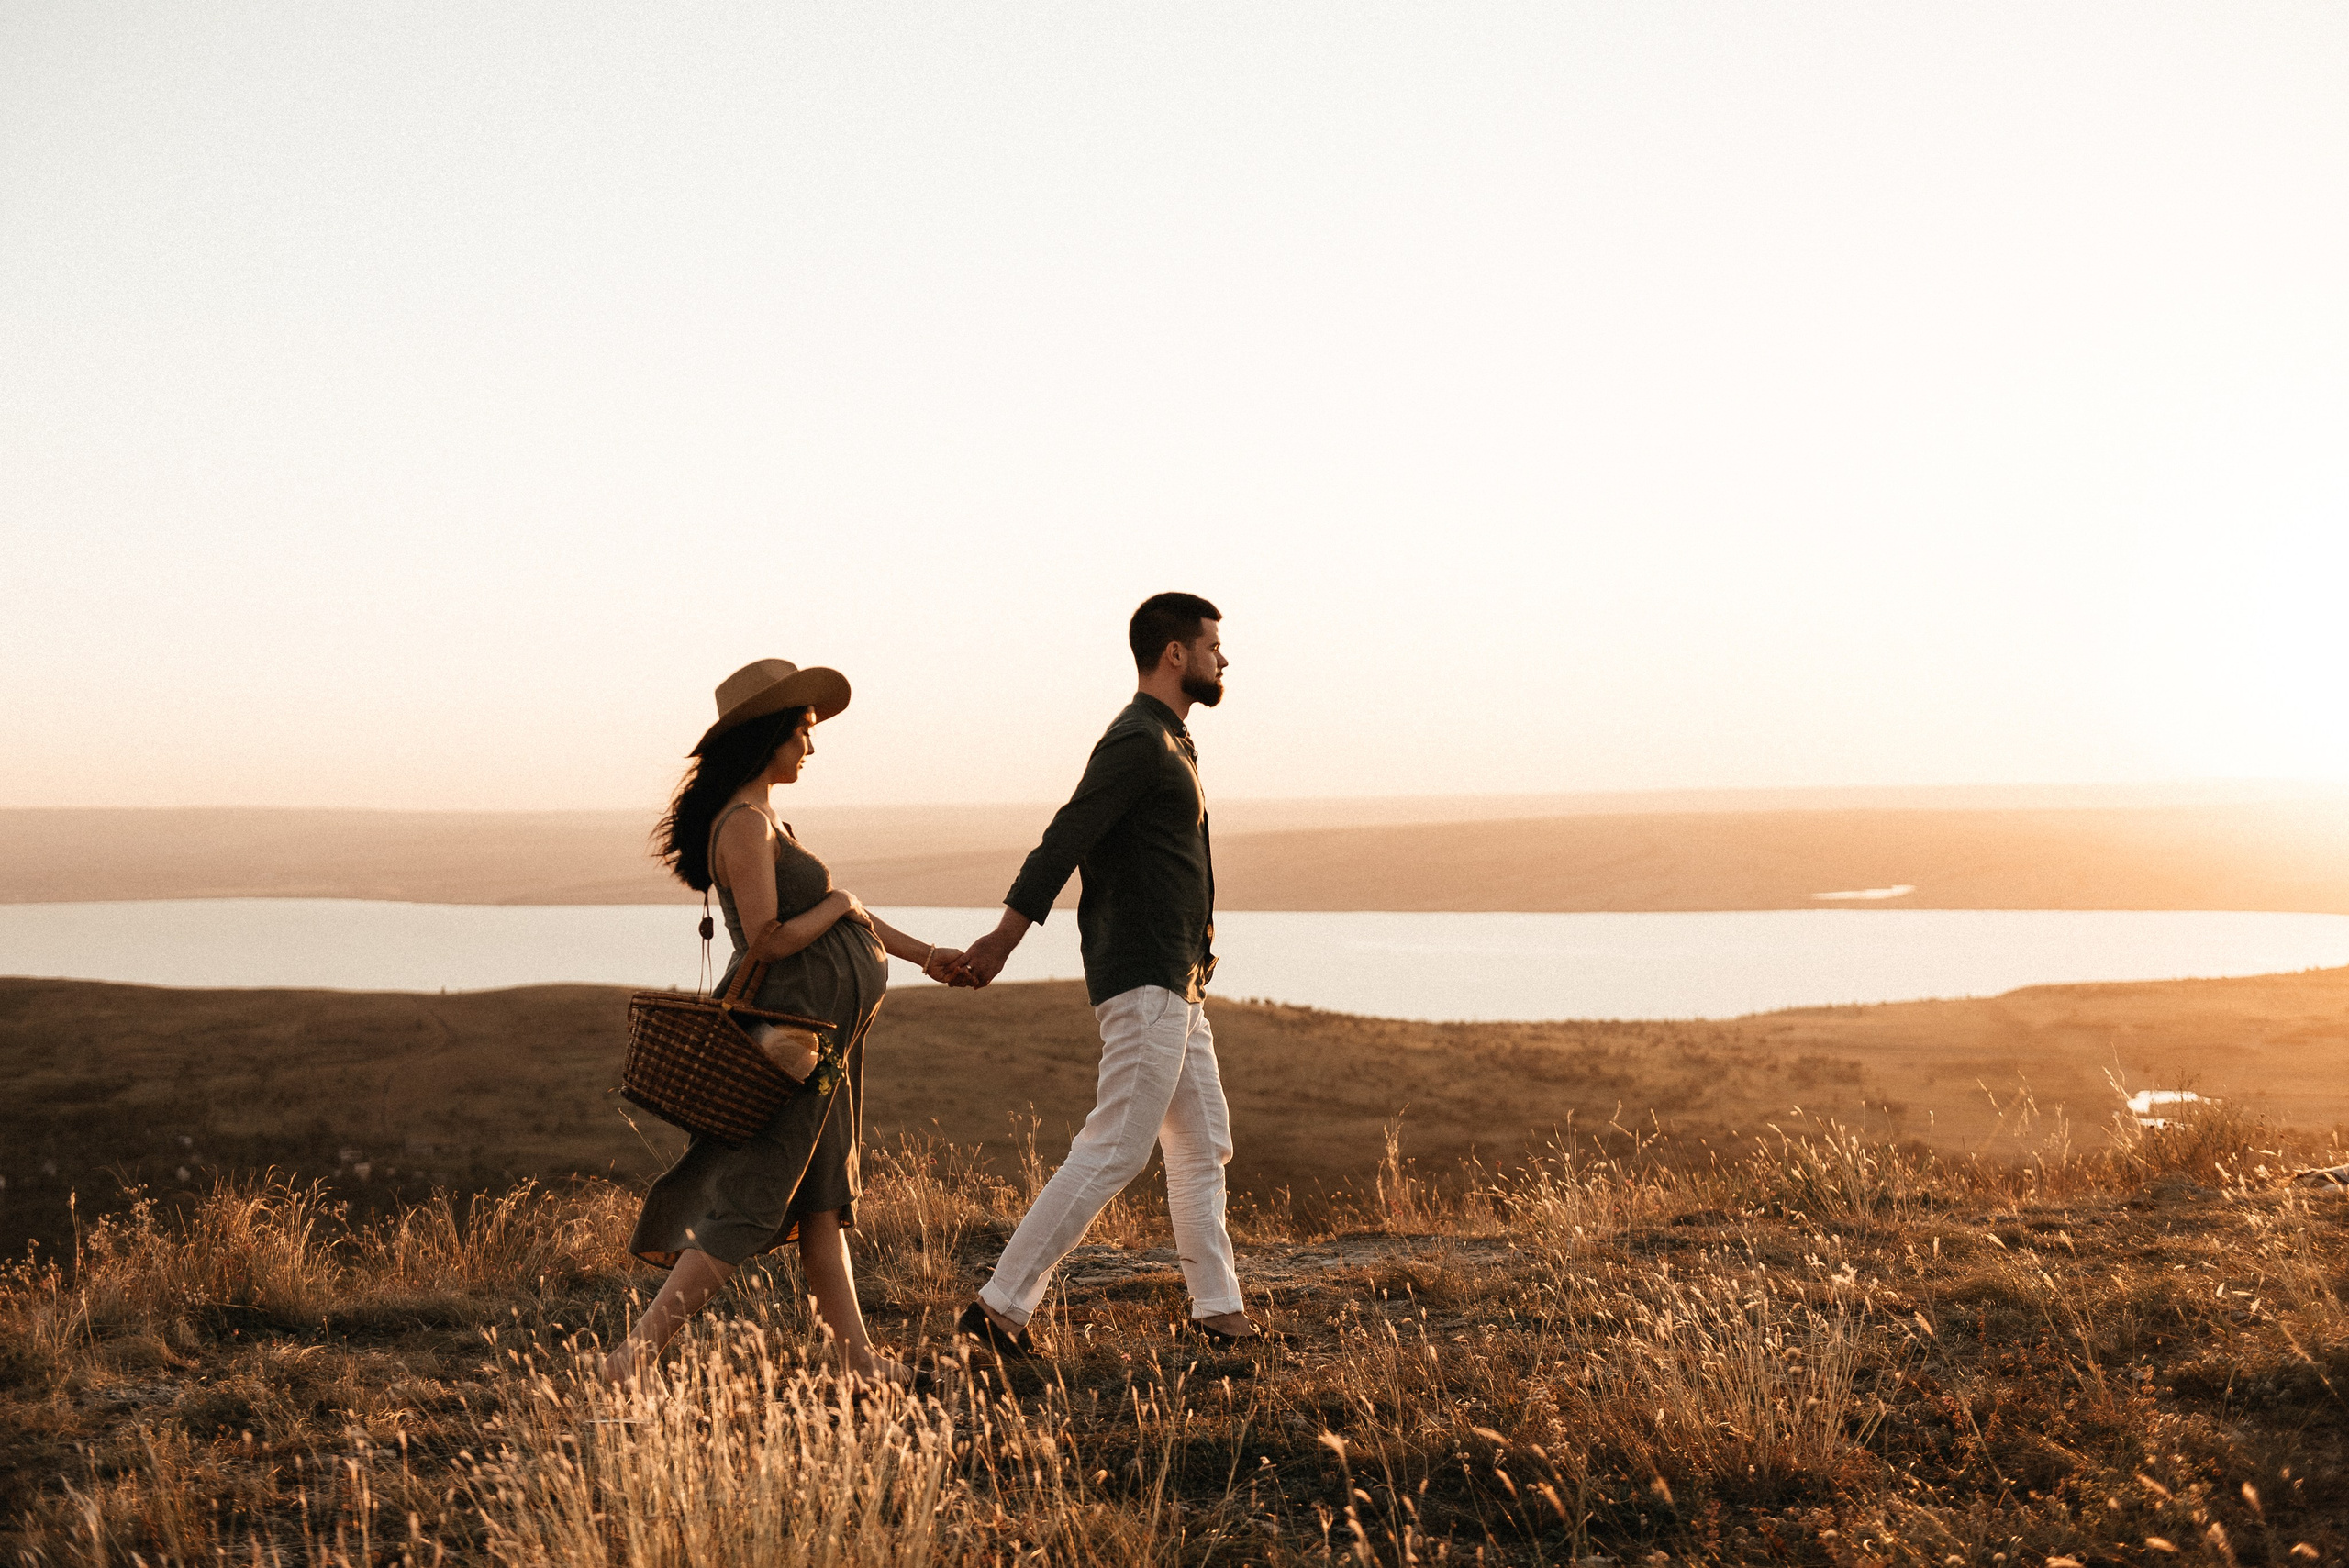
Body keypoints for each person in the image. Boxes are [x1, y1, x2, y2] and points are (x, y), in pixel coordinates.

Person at [606, 658, 971, 1388]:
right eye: (802, 732)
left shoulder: (769, 818)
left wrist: (927, 954)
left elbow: (847, 913)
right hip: (793, 1043)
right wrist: (842, 906)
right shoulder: (743, 824)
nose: (811, 746)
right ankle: (630, 1360)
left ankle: (857, 1362)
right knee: (756, 1193)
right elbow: (770, 937)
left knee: (823, 1196)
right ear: (768, 735)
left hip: (825, 1041)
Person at [955, 593, 1277, 1354]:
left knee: (1203, 1143)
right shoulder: (1137, 739)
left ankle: (1217, 1309)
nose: (1223, 658)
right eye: (1212, 645)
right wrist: (1004, 938)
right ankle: (997, 1309)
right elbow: (1065, 837)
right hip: (1146, 979)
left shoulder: (1170, 740)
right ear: (1175, 654)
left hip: (1179, 983)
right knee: (1116, 1147)